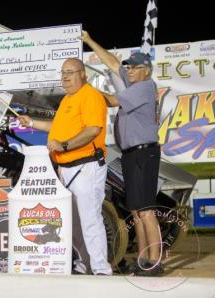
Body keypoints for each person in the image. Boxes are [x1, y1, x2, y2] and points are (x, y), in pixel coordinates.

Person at [18, 58, 112, 275]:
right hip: (66, 168)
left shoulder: (90, 95)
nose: (66, 77)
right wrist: (31, 122)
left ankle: (101, 269)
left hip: (86, 166)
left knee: (90, 219)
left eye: (70, 72)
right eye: (63, 73)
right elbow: (56, 128)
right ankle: (82, 265)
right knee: (73, 223)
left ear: (83, 74)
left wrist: (65, 144)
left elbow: (93, 130)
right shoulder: (68, 100)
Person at [80, 31, 162, 276]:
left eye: (135, 68)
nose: (130, 71)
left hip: (143, 153)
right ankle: (142, 259)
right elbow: (113, 64)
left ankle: (155, 261)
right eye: (130, 69)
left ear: (146, 70)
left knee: (145, 210)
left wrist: (85, 90)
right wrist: (90, 40)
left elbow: (112, 101)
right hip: (131, 153)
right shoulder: (135, 82)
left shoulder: (145, 86)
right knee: (137, 211)